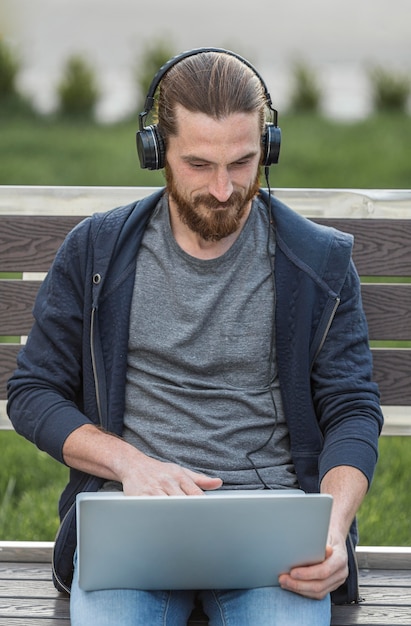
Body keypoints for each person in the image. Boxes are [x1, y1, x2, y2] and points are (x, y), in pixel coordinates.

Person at [7, 47, 383, 626]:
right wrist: (129, 464)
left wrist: (331, 530)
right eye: (200, 164)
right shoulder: (96, 253)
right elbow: (33, 392)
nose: (226, 189)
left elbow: (353, 410)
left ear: (268, 148)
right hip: (133, 516)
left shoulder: (319, 263)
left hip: (272, 530)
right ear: (155, 152)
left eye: (243, 162)